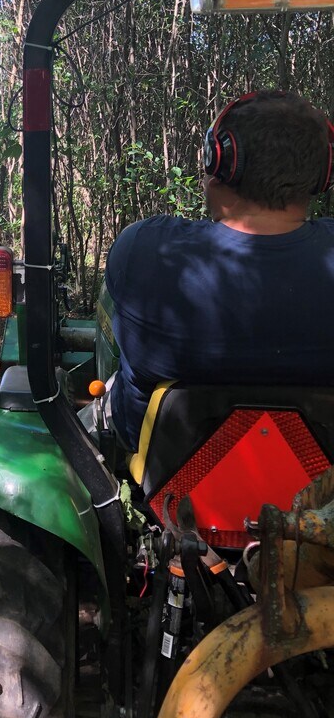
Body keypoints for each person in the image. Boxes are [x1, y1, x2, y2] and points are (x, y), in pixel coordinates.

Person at [89, 90, 334, 454]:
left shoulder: (143, 249)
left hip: (162, 467)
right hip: (317, 472)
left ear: (220, 162)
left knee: (86, 420)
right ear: (322, 173)